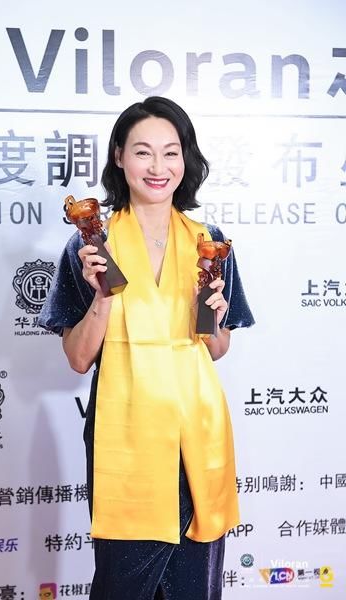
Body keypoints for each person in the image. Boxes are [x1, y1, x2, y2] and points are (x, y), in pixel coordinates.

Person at [38, 96, 254, 600]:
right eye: (143, 152)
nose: (158, 167)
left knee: (195, 583)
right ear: (119, 157)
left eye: (170, 152)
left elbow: (216, 347)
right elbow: (78, 358)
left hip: (196, 433)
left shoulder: (209, 241)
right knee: (123, 583)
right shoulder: (92, 245)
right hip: (126, 435)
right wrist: (102, 297)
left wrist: (211, 315)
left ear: (186, 159)